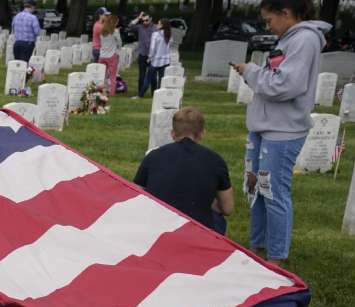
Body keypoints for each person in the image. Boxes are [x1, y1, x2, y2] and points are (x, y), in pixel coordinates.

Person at [232, 0, 330, 267]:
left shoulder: (305, 40)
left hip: (283, 130)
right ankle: (257, 245)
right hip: (264, 127)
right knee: (256, 187)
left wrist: (251, 72)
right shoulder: (289, 40)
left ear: (285, 13)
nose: (268, 26)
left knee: (273, 191)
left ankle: (276, 256)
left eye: (269, 20)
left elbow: (285, 85)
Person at [134, 107, 235, 233]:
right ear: (202, 133)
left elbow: (136, 195)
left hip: (158, 226)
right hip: (198, 229)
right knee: (217, 217)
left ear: (172, 133)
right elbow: (228, 208)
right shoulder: (216, 160)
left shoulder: (153, 156)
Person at [130, 13, 156, 97]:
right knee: (142, 75)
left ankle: (154, 93)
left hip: (152, 55)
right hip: (142, 54)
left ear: (151, 19)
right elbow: (130, 25)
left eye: (147, 20)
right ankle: (140, 93)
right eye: (143, 20)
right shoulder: (140, 27)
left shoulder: (155, 28)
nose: (144, 22)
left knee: (153, 76)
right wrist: (138, 18)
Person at [146, 19, 173, 96]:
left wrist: (150, 57)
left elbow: (152, 48)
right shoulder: (169, 35)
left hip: (156, 60)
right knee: (161, 80)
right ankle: (159, 95)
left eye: (158, 24)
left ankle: (140, 94)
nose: (157, 25)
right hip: (166, 60)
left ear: (162, 26)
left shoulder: (155, 34)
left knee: (148, 79)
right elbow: (169, 47)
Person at [98, 13, 121, 96]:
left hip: (102, 55)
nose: (117, 23)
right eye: (117, 22)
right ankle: (112, 92)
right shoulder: (115, 31)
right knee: (112, 76)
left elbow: (101, 42)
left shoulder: (102, 31)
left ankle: (101, 91)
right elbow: (119, 43)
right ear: (114, 22)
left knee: (102, 75)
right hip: (111, 55)